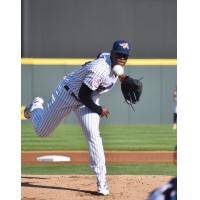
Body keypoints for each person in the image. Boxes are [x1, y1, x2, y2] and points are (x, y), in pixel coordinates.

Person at [24, 40, 131, 195]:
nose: (122, 58)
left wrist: (122, 77)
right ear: (113, 53)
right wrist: (99, 109)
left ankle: (102, 181)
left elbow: (100, 55)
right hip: (68, 94)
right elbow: (83, 95)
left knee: (93, 135)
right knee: (42, 131)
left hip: (88, 97)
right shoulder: (99, 70)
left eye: (125, 56)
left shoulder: (110, 60)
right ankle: (36, 107)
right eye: (119, 54)